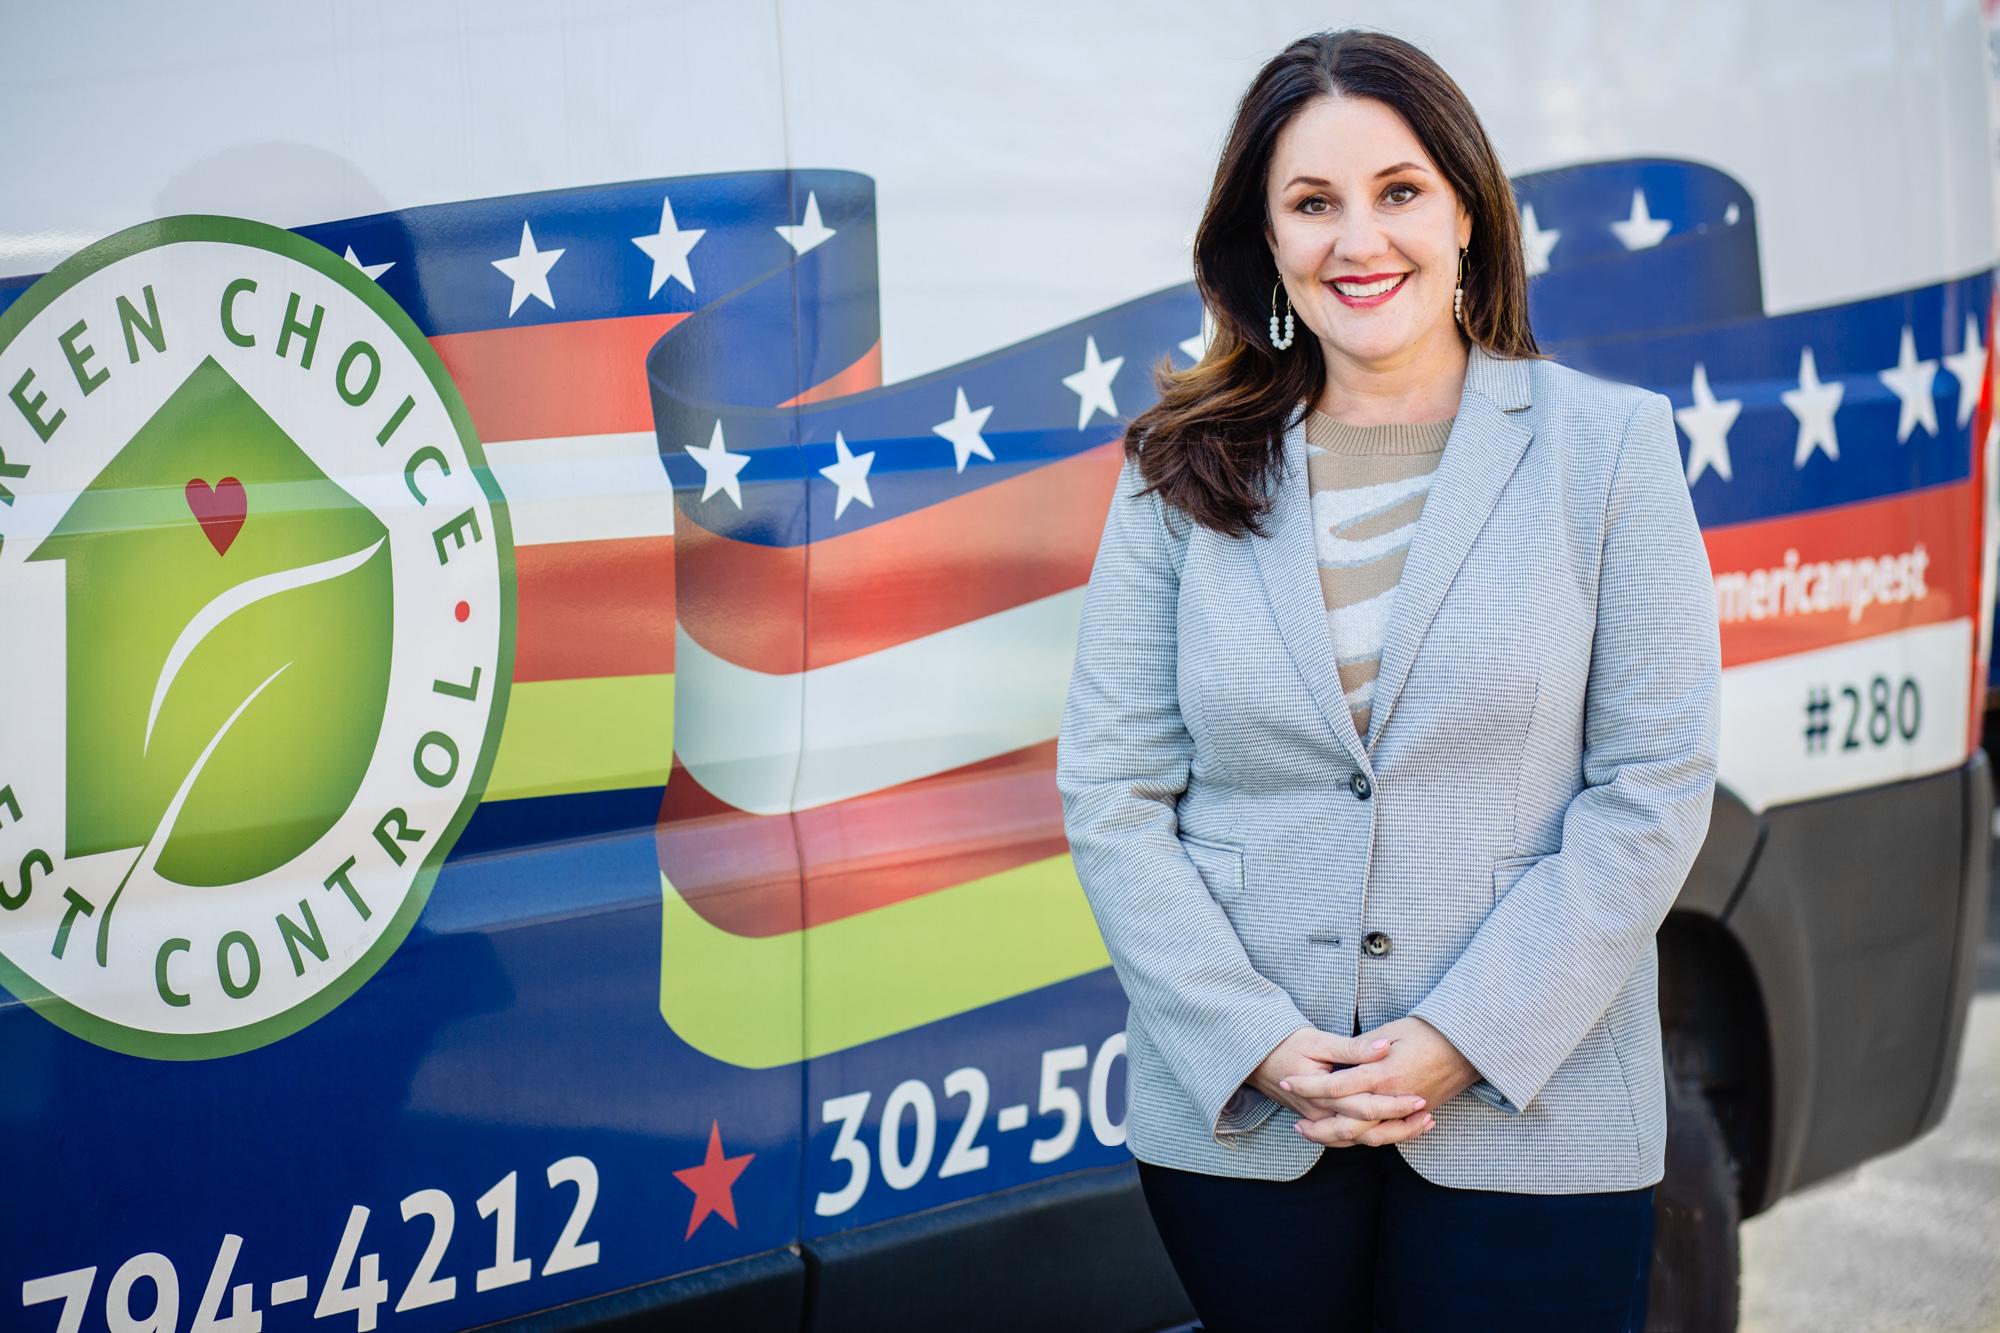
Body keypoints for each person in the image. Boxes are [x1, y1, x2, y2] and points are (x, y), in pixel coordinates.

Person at [1053, 27, 1720, 1333]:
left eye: (1399, 190)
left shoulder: (1608, 450)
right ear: (1270, 241)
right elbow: (1115, 791)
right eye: (1314, 203)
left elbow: (1652, 785)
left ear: (1466, 211)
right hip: (1246, 1130)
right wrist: (1253, 1039)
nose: (1360, 239)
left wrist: (1463, 1034)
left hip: (1537, 1119)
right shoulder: (1175, 468)